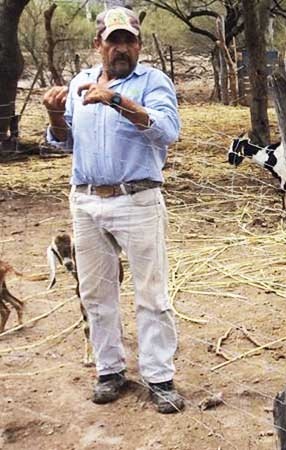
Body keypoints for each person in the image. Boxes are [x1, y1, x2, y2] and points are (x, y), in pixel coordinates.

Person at [42, 6, 183, 414]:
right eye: (113, 41)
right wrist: (54, 114)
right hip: (86, 200)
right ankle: (109, 370)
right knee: (95, 292)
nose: (121, 48)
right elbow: (66, 141)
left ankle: (159, 378)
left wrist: (117, 100)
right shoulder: (80, 82)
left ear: (139, 45)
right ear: (98, 45)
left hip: (137, 198)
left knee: (151, 293)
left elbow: (167, 131)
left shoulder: (153, 82)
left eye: (128, 41)